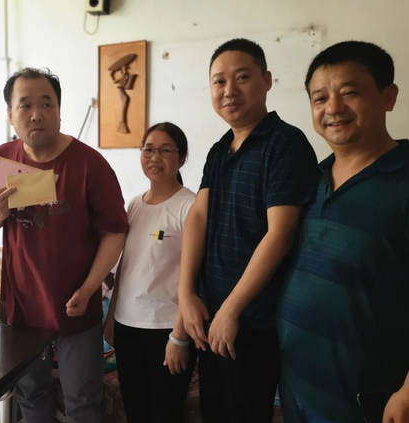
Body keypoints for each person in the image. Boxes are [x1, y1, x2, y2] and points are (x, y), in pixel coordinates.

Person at [0, 67, 128, 423]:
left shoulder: (89, 164)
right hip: (23, 312)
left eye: (46, 104)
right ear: (10, 114)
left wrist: (90, 288)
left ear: (59, 110)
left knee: (83, 402)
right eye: (25, 105)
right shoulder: (3, 159)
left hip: (77, 309)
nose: (36, 114)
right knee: (31, 397)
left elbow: (115, 232)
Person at [177, 38, 319, 423]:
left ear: (267, 80)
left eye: (242, 78)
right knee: (214, 412)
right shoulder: (219, 149)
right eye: (219, 81)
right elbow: (198, 218)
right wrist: (186, 294)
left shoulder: (285, 144)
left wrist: (232, 308)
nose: (229, 91)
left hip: (253, 320)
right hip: (211, 316)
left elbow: (280, 234)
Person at [277, 41, 409, 423]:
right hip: (299, 389)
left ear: (388, 97)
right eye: (320, 98)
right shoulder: (311, 180)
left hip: (372, 399)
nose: (333, 108)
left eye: (349, 93)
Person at [104, 122, 197, 423]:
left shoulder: (190, 206)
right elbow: (126, 266)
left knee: (163, 413)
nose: (155, 157)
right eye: (148, 150)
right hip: (128, 326)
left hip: (166, 328)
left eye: (165, 150)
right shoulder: (134, 204)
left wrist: (180, 338)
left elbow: (195, 278)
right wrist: (111, 317)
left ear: (182, 158)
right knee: (135, 411)